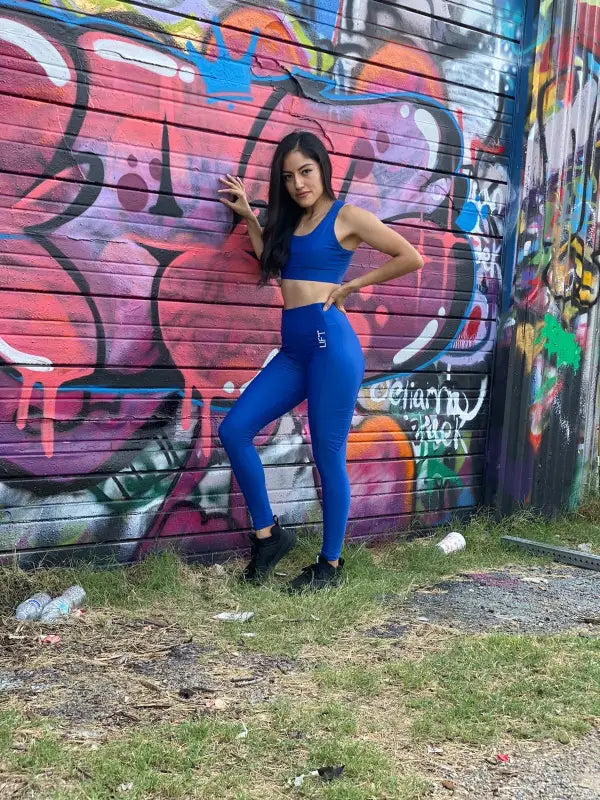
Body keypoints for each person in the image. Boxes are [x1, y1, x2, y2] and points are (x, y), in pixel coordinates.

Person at [217, 131, 423, 591]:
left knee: (327, 453)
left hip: (332, 346)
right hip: (294, 350)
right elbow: (273, 264)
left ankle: (329, 565)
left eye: (305, 172)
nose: (298, 183)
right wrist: (250, 216)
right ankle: (268, 537)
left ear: (322, 169)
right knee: (234, 429)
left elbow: (409, 256)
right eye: (288, 177)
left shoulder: (346, 215)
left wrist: (352, 287)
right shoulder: (290, 223)